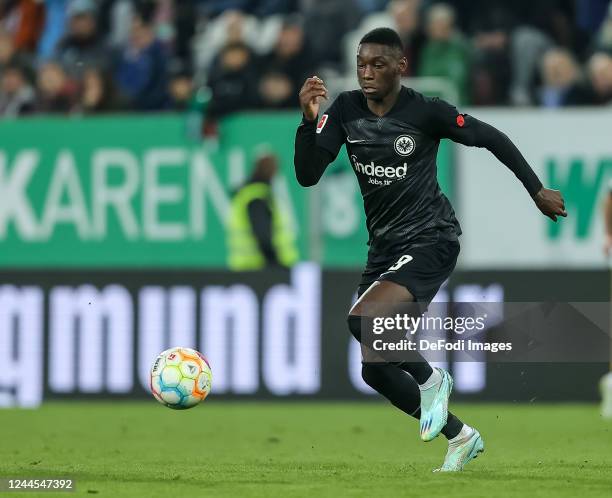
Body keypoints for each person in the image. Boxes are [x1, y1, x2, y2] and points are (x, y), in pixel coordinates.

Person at [294, 27, 566, 471]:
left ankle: (431, 376)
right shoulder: (343, 109)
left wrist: (535, 190)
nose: (366, 73)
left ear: (401, 66)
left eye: (377, 65)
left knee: (363, 320)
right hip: (384, 249)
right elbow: (308, 174)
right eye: (361, 64)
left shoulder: (425, 111)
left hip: (431, 238)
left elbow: (490, 137)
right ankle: (460, 436)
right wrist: (307, 122)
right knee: (374, 367)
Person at [227, 151, 299, 271]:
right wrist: (275, 264)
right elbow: (262, 234)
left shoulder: (254, 193)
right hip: (257, 270)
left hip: (249, 269)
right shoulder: (256, 197)